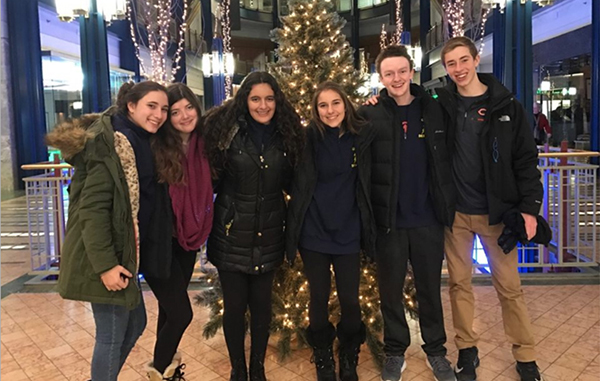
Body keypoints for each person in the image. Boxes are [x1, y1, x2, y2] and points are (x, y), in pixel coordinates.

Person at [46, 81, 172, 381]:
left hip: (123, 254)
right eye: (151, 106)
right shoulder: (111, 146)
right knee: (111, 335)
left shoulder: (137, 140)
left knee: (136, 322)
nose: (159, 114)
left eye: (164, 108)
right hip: (106, 257)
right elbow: (93, 210)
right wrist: (105, 266)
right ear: (131, 106)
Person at [435, 36, 544, 381]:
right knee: (459, 286)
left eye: (463, 60)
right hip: (456, 215)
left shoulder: (506, 105)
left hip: (497, 213)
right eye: (451, 64)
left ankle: (525, 356)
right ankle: (467, 351)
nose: (458, 69)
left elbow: (526, 160)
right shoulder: (441, 104)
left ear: (476, 58)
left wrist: (529, 209)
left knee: (509, 288)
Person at [359, 45, 457, 381]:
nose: (396, 78)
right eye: (389, 73)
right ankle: (395, 351)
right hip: (390, 221)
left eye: (402, 71)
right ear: (381, 77)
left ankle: (436, 351)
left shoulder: (435, 108)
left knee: (430, 289)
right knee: (390, 291)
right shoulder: (369, 113)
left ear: (411, 71)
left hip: (428, 217)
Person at [203, 71, 304, 381]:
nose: (263, 105)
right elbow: (210, 178)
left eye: (269, 99)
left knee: (262, 308)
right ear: (245, 100)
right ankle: (239, 369)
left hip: (271, 232)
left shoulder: (288, 136)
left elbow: (296, 181)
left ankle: (257, 367)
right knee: (234, 308)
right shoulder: (226, 134)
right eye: (256, 98)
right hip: (231, 233)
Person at [286, 82, 376, 381]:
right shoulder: (305, 139)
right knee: (319, 298)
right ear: (315, 110)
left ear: (346, 104)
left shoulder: (360, 136)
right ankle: (323, 353)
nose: (330, 111)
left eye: (335, 103)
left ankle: (349, 352)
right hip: (314, 232)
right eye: (323, 105)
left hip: (349, 231)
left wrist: (380, 98)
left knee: (350, 301)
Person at [144, 83, 214, 380]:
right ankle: (158, 371)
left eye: (188, 107)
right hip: (158, 242)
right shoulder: (155, 148)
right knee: (181, 313)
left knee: (168, 311)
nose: (184, 115)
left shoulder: (206, 143)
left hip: (188, 239)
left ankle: (168, 372)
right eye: (174, 111)